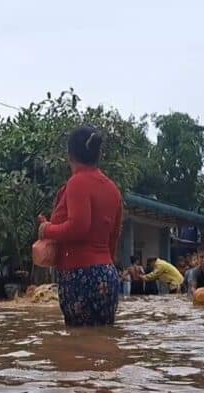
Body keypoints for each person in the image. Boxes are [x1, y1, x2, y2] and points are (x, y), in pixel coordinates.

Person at [38, 126, 124, 327]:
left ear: (70, 155)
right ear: (97, 154)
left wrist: (46, 229)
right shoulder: (113, 189)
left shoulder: (77, 182)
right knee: (103, 341)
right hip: (107, 274)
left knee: (78, 344)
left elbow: (78, 227)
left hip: (80, 274)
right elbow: (113, 238)